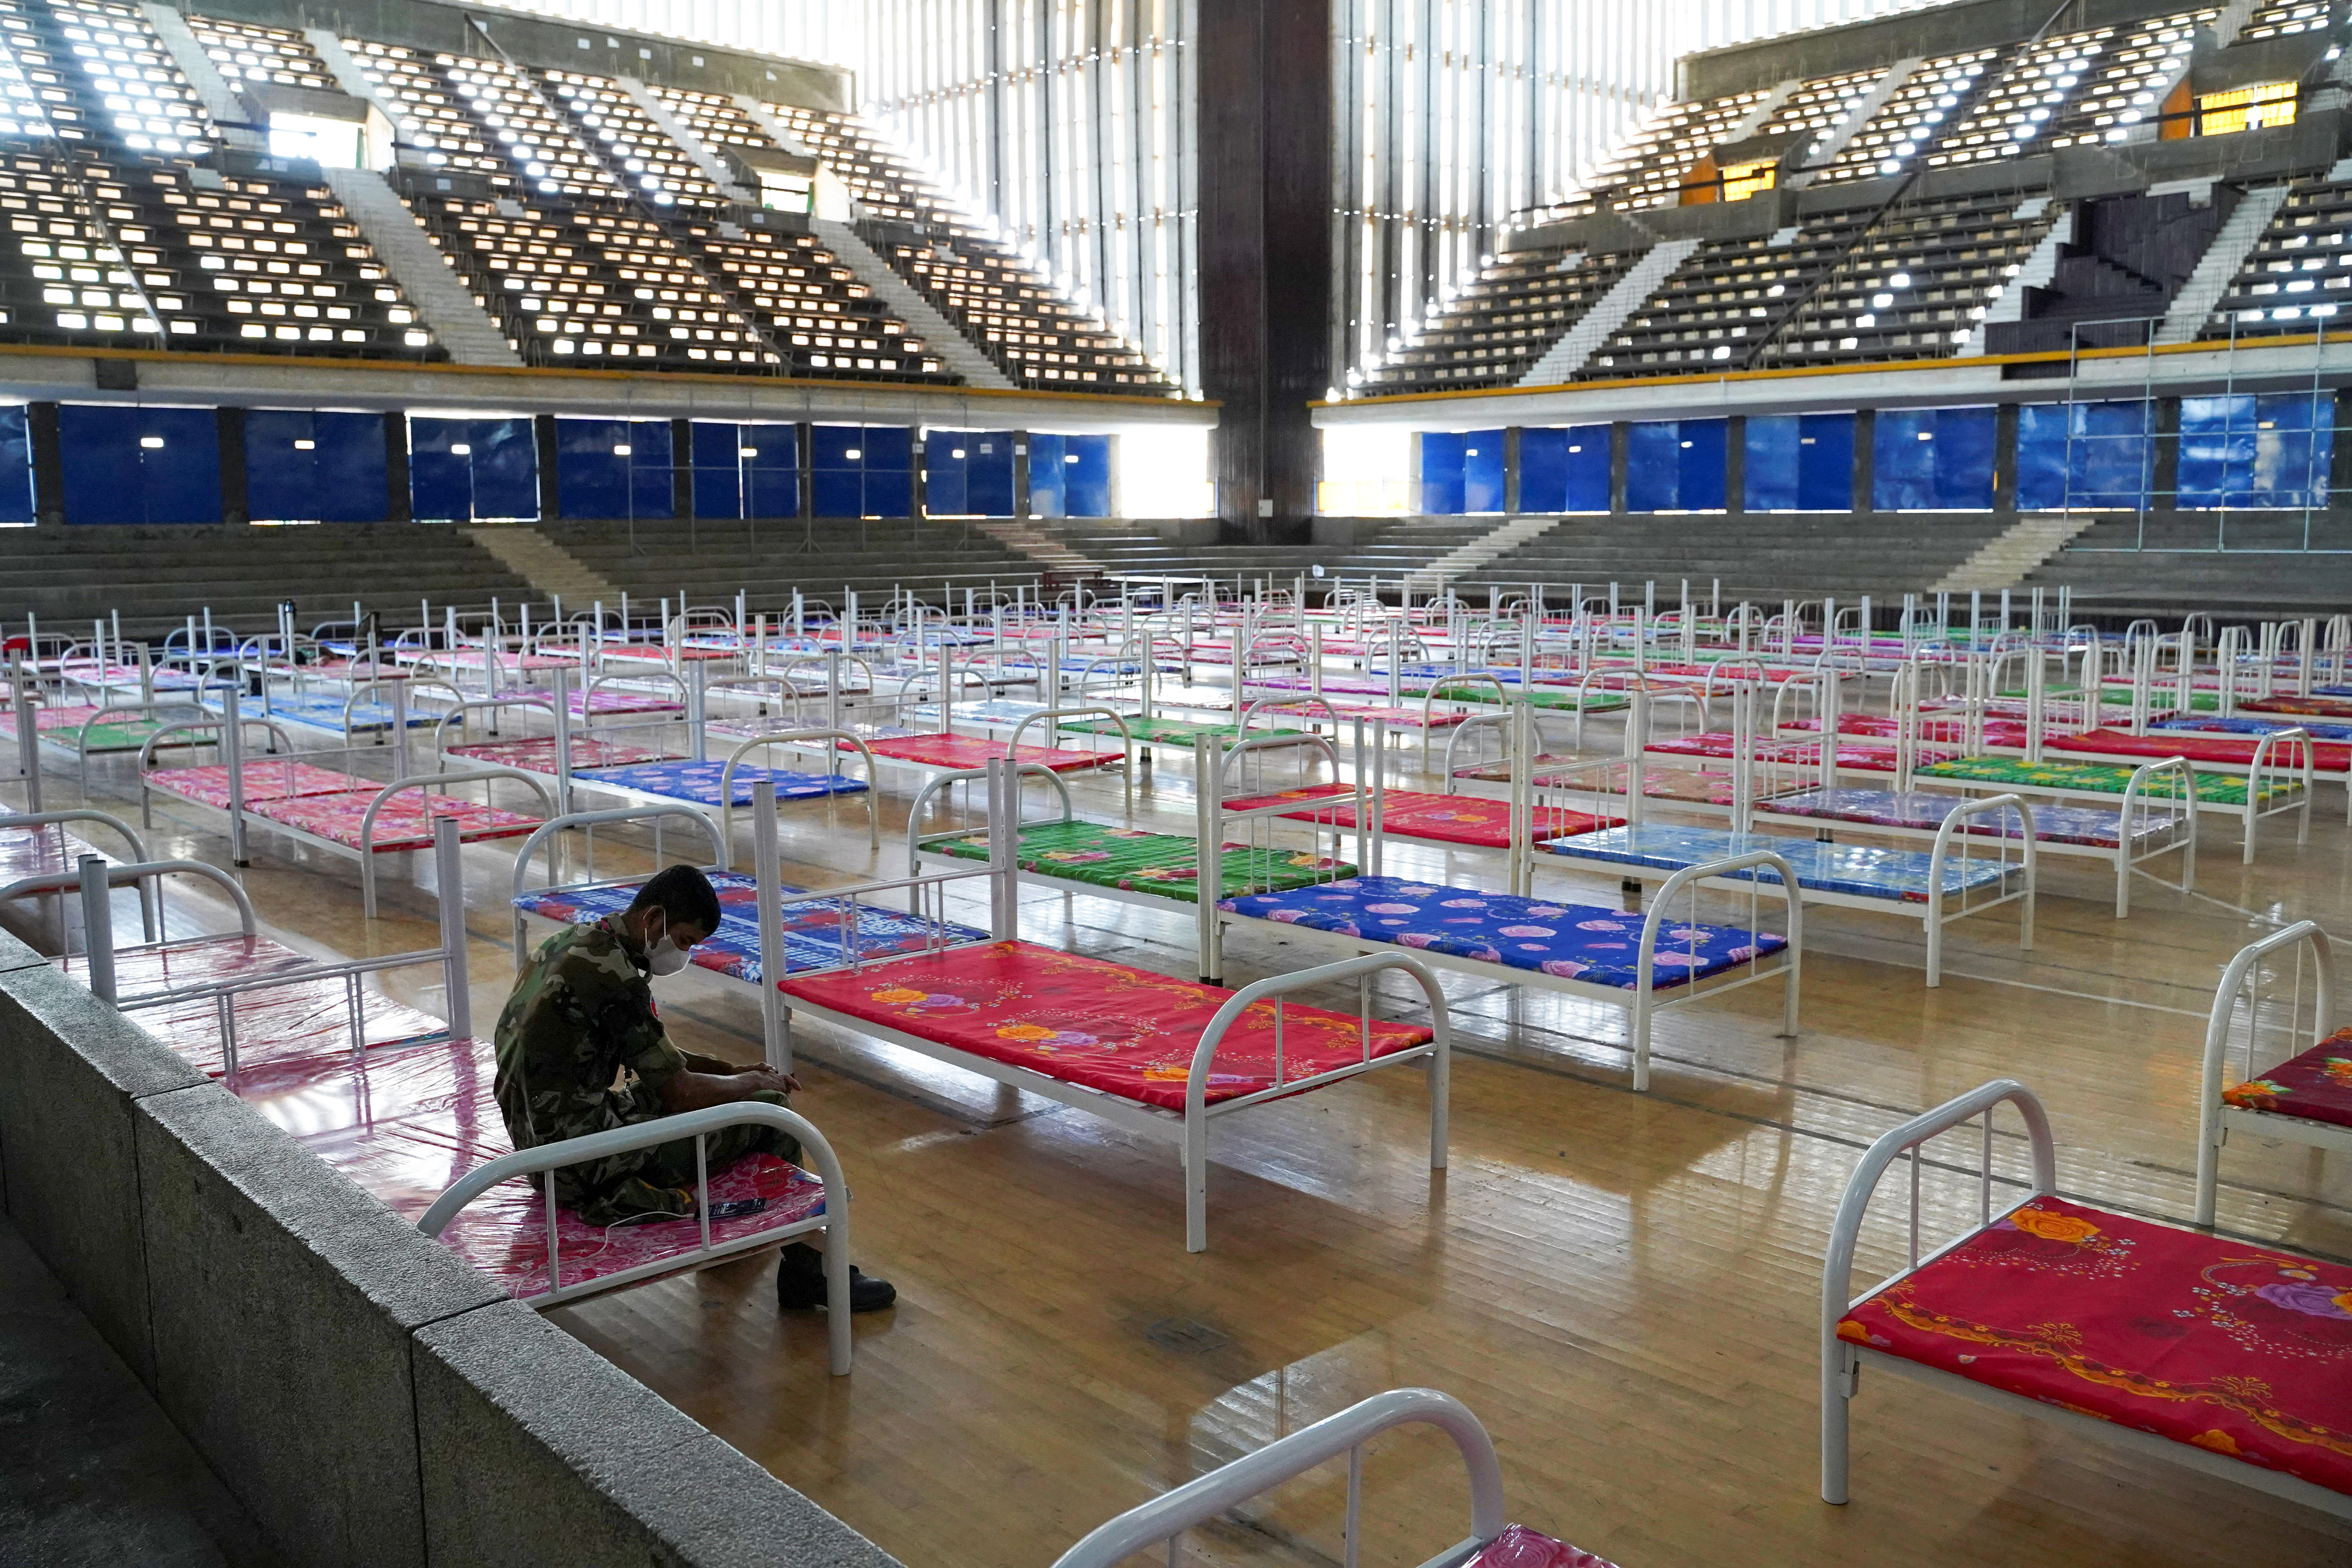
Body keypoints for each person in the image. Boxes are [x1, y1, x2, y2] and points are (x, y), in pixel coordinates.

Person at [493, 863, 894, 1312]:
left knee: (743, 1094)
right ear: (653, 919)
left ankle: (764, 1245)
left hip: (538, 1142)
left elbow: (658, 1057)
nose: (682, 953)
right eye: (683, 940)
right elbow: (678, 1091)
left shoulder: (573, 945)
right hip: (577, 1160)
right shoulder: (616, 977)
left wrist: (731, 1070)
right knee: (770, 1111)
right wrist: (751, 1083)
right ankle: (808, 1273)